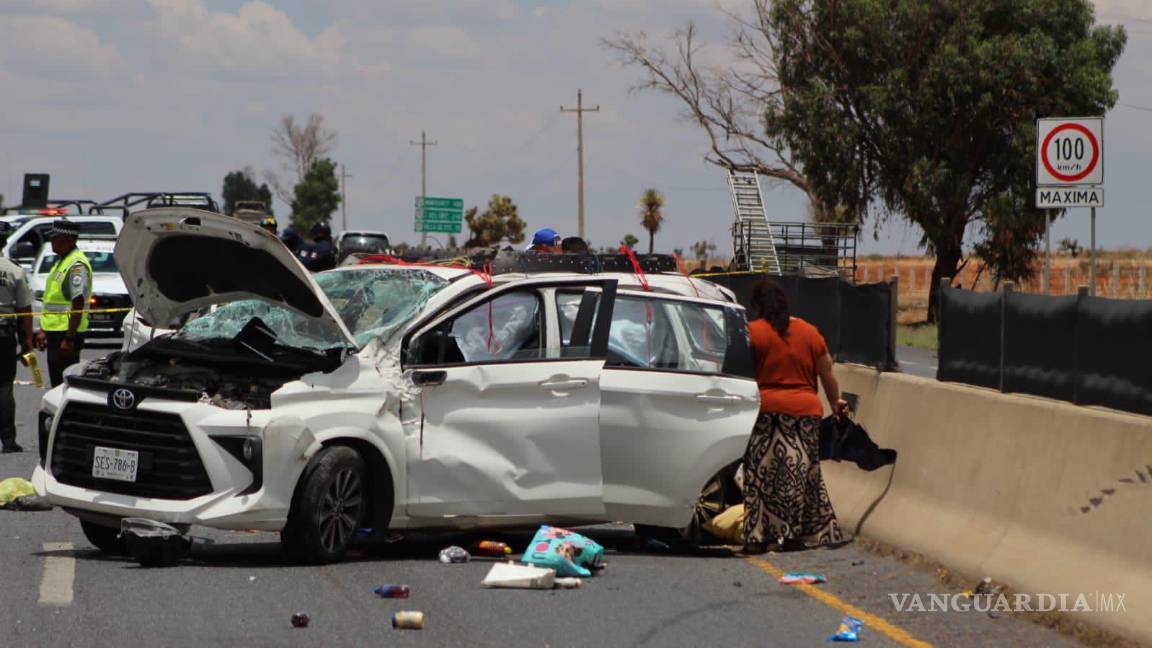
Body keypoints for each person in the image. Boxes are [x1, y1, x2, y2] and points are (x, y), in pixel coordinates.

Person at [742, 279, 848, 554]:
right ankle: (792, 537)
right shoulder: (810, 333)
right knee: (799, 476)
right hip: (804, 415)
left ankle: (757, 538)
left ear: (758, 305)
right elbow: (827, 373)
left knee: (759, 474)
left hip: (765, 412)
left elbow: (741, 373)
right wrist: (836, 402)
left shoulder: (752, 333)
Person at [35, 220, 92, 387]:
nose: (52, 242)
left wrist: (69, 338)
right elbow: (53, 302)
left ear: (68, 239)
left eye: (55, 238)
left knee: (64, 385)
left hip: (65, 334)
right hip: (56, 332)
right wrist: (44, 329)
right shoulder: (62, 261)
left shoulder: (76, 265)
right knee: (56, 382)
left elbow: (77, 303)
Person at [0, 223, 33, 453]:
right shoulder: (14, 271)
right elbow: (25, 311)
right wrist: (27, 342)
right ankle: (8, 440)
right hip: (3, 337)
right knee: (3, 389)